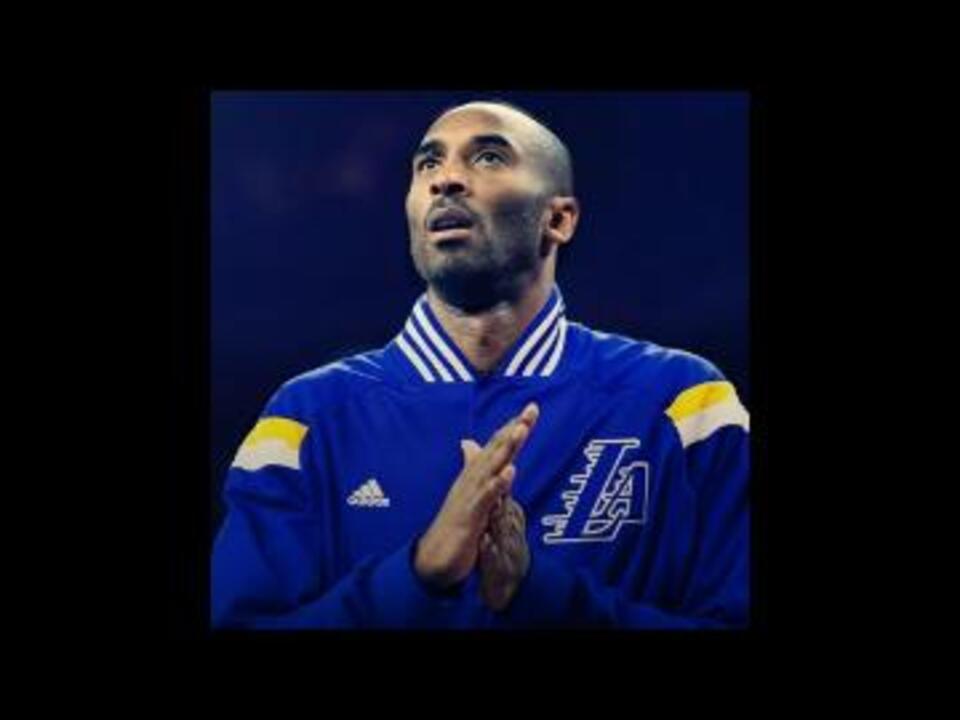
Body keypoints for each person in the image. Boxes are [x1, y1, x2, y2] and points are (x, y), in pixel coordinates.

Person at [211, 100, 750, 629]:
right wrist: (416, 576)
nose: (445, 180)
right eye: (428, 164)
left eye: (488, 157)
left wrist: (539, 593)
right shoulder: (306, 416)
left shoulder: (684, 404)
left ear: (558, 219)